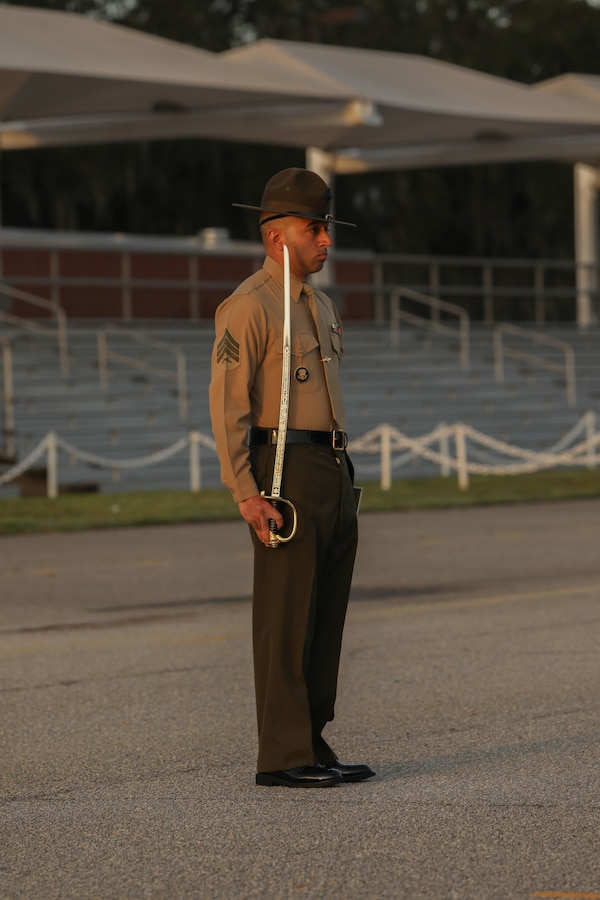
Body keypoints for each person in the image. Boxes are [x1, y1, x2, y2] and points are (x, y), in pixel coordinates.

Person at [209, 168, 375, 788]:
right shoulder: (249, 306)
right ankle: (282, 754)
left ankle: (312, 739)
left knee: (325, 614)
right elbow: (227, 404)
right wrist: (247, 493)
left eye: (326, 228)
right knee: (286, 616)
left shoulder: (320, 305)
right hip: (283, 470)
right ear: (279, 236)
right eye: (316, 228)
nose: (326, 241)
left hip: (330, 465)